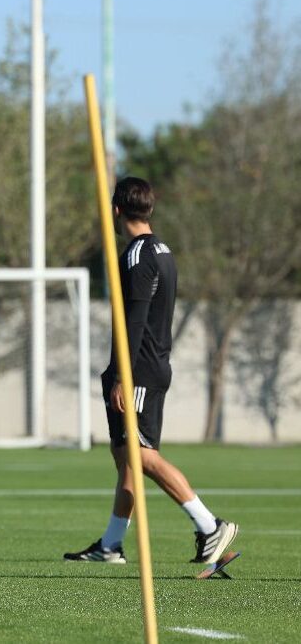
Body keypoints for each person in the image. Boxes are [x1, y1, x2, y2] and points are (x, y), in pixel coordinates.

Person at [65, 176, 238, 565]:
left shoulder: (138, 255)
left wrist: (122, 377)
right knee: (125, 456)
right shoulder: (162, 249)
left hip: (139, 371)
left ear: (116, 210)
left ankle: (209, 525)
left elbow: (136, 321)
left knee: (141, 455)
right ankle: (111, 545)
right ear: (149, 208)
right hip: (144, 366)